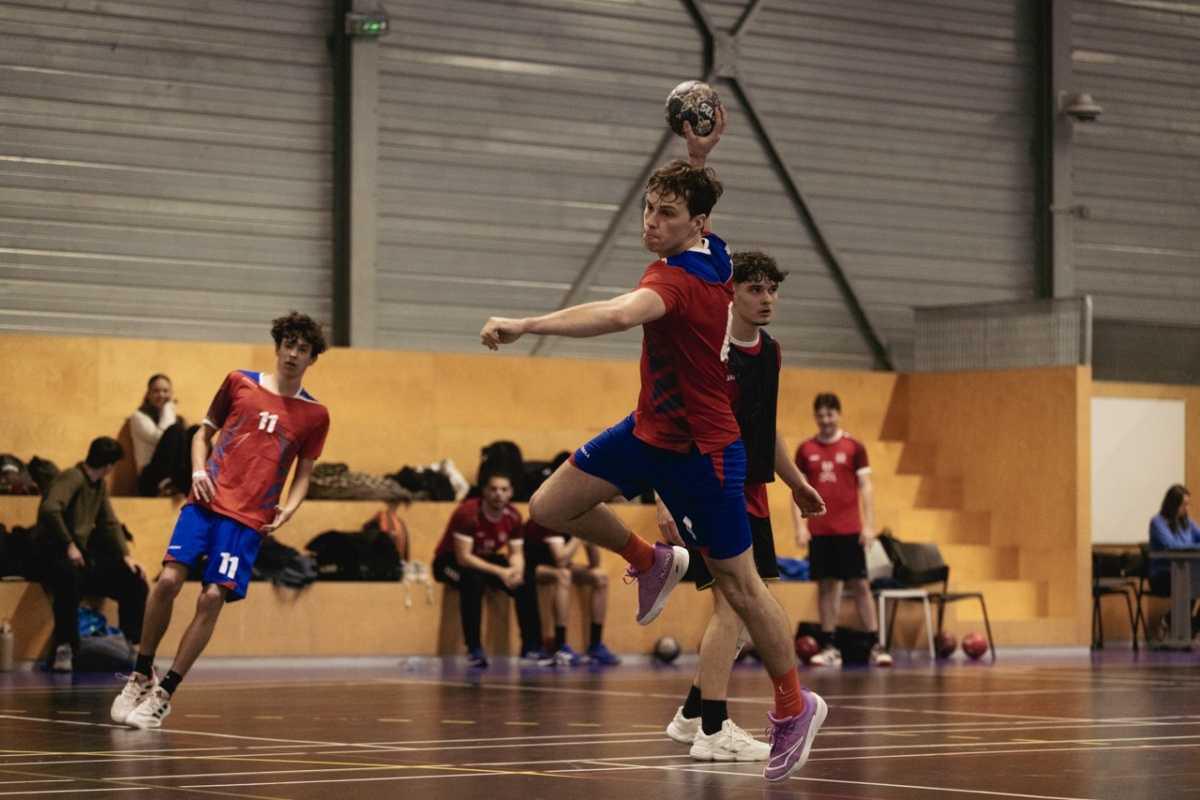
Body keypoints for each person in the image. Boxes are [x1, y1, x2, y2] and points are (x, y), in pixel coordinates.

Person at [479, 110, 829, 783]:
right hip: (648, 431)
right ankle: (650, 559)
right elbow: (697, 207)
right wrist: (694, 159)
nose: (650, 223)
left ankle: (793, 705)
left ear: (690, 224)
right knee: (550, 504)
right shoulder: (712, 252)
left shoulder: (672, 284)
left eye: (664, 214)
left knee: (743, 586)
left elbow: (612, 315)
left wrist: (525, 323)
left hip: (705, 453)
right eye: (648, 209)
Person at [110, 312, 330, 729]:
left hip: (248, 518)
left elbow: (304, 474)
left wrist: (290, 508)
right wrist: (197, 471)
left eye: (303, 349)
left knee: (211, 598)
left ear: (312, 359)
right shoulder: (239, 381)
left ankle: (165, 692)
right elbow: (202, 432)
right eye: (289, 345)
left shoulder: (315, 415)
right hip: (206, 501)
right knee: (169, 581)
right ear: (278, 345)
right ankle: (141, 673)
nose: (293, 354)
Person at [661, 249, 825, 762]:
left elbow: (764, 429)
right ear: (730, 293)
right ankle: (713, 727)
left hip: (752, 490)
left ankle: (692, 714)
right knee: (734, 607)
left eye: (772, 289)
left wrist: (796, 482)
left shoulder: (770, 353)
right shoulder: (707, 348)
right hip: (707, 484)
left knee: (752, 608)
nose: (767, 298)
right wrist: (664, 498)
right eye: (755, 289)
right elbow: (666, 424)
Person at [33, 436, 148, 672]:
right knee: (68, 578)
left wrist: (126, 556)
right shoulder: (72, 477)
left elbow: (109, 522)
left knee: (133, 579)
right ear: (109, 466)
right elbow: (49, 509)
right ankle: (65, 646)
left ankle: (134, 643)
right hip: (53, 554)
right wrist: (68, 544)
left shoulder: (99, 486)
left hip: (80, 555)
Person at [793, 392, 891, 667]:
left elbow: (866, 487)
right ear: (815, 416)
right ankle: (829, 645)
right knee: (826, 587)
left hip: (850, 529)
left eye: (830, 414)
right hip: (820, 531)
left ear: (838, 414)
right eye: (820, 415)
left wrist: (869, 525)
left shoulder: (854, 447)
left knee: (860, 584)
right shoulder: (805, 450)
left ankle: (875, 645)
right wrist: (801, 527)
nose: (825, 420)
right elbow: (797, 491)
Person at [432, 473, 543, 668]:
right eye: (493, 489)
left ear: (511, 493)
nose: (498, 494)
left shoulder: (513, 516)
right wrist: (501, 573)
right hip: (449, 562)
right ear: (484, 491)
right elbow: (463, 558)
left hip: (483, 559)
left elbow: (516, 553)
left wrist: (515, 571)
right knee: (472, 580)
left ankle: (531, 646)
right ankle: (474, 648)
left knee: (524, 579)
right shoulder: (467, 514)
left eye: (503, 490)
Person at [522, 518, 620, 666]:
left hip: (559, 565)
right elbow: (560, 559)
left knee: (600, 577)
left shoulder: (576, 518)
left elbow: (595, 563)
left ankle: (595, 645)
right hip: (533, 567)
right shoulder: (551, 514)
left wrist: (590, 538)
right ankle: (560, 646)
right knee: (563, 575)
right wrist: (579, 534)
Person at [130, 374, 197, 497]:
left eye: (165, 391)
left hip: (176, 476)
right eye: (156, 391)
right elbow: (161, 438)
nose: (161, 395)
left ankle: (204, 482)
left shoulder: (174, 419)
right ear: (148, 394)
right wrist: (167, 408)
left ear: (171, 393)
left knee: (196, 432)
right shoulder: (138, 417)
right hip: (150, 479)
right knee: (176, 429)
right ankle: (165, 486)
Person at [1149, 484, 1200, 599]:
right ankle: (1173, 617)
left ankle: (1190, 617)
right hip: (1163, 575)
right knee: (1192, 580)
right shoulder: (1158, 522)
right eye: (1183, 505)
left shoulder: (1187, 522)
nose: (1187, 508)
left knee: (1194, 578)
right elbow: (1172, 547)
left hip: (1187, 571)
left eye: (1188, 504)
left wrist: (1194, 546)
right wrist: (1195, 547)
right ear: (1173, 505)